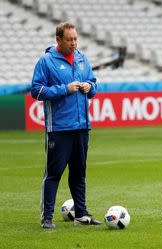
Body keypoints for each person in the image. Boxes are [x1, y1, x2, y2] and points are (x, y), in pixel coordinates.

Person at [31, 22, 101, 228]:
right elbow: (36, 90)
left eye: (75, 39)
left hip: (81, 126)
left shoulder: (81, 58)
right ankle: (47, 217)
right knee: (54, 173)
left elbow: (94, 83)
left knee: (79, 172)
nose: (73, 43)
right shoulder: (46, 61)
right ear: (58, 39)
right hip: (59, 128)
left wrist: (90, 86)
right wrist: (64, 89)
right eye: (69, 39)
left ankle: (81, 214)